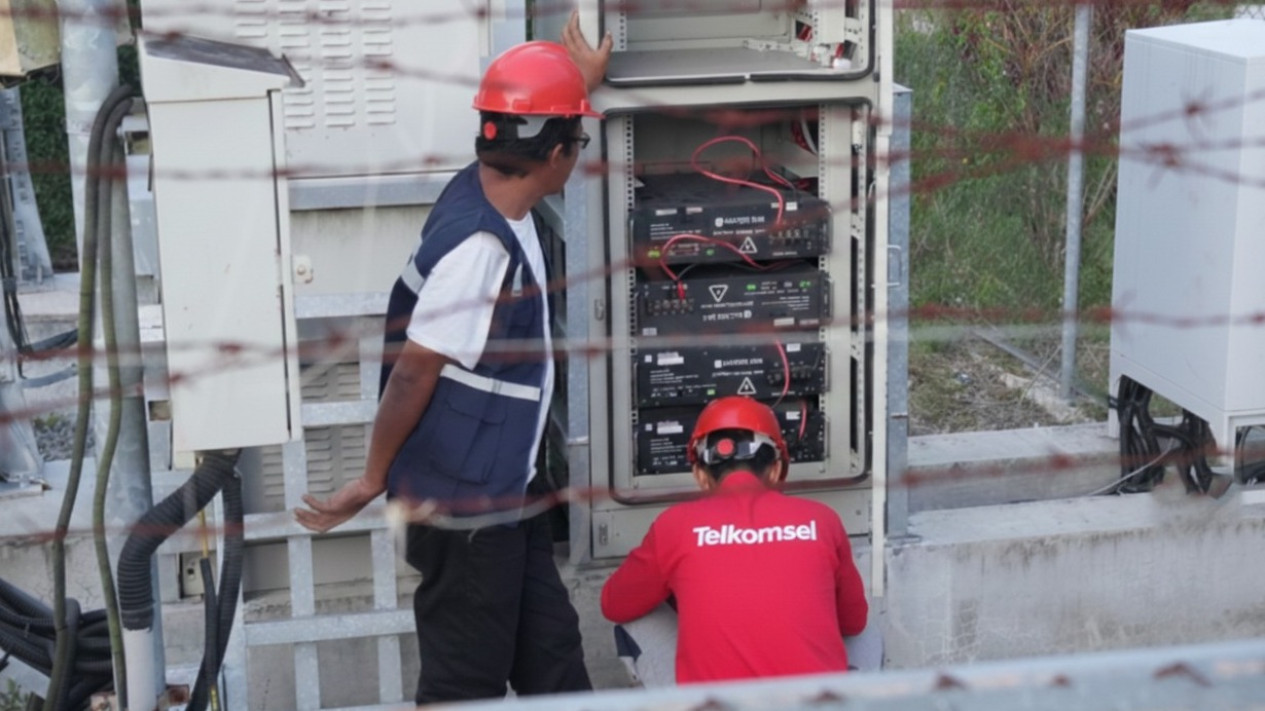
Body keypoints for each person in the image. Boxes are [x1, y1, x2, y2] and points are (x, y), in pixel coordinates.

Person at [294, 15, 612, 704]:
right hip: (463, 507)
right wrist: (370, 477)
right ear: (556, 155)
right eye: (576, 141)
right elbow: (413, 372)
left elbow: (526, 131)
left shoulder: (488, 187)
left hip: (506, 486)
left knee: (552, 660)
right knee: (464, 682)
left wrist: (570, 90)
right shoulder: (479, 252)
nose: (578, 153)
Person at [600, 396, 869, 684]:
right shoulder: (822, 519)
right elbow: (854, 621)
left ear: (700, 475)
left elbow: (614, 604)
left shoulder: (675, 525)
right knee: (868, 636)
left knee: (634, 616)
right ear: (776, 469)